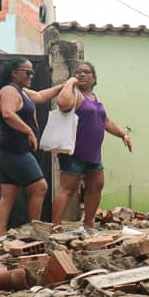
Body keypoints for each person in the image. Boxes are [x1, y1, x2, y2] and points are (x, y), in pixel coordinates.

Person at [0, 57, 69, 234]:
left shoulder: (22, 91)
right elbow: (8, 114)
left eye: (32, 72)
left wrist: (64, 86)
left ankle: (0, 235)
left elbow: (41, 96)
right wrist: (29, 131)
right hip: (13, 150)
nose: (31, 75)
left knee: (8, 194)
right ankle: (36, 232)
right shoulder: (10, 91)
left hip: (6, 150)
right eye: (27, 72)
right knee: (40, 187)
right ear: (14, 73)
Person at [50, 61, 131, 229]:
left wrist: (123, 135)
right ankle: (55, 227)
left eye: (86, 72)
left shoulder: (96, 98)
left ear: (94, 78)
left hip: (93, 153)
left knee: (96, 186)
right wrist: (70, 83)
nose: (81, 74)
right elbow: (63, 105)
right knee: (67, 190)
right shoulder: (74, 94)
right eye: (78, 72)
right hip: (74, 152)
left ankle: (88, 224)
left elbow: (106, 121)